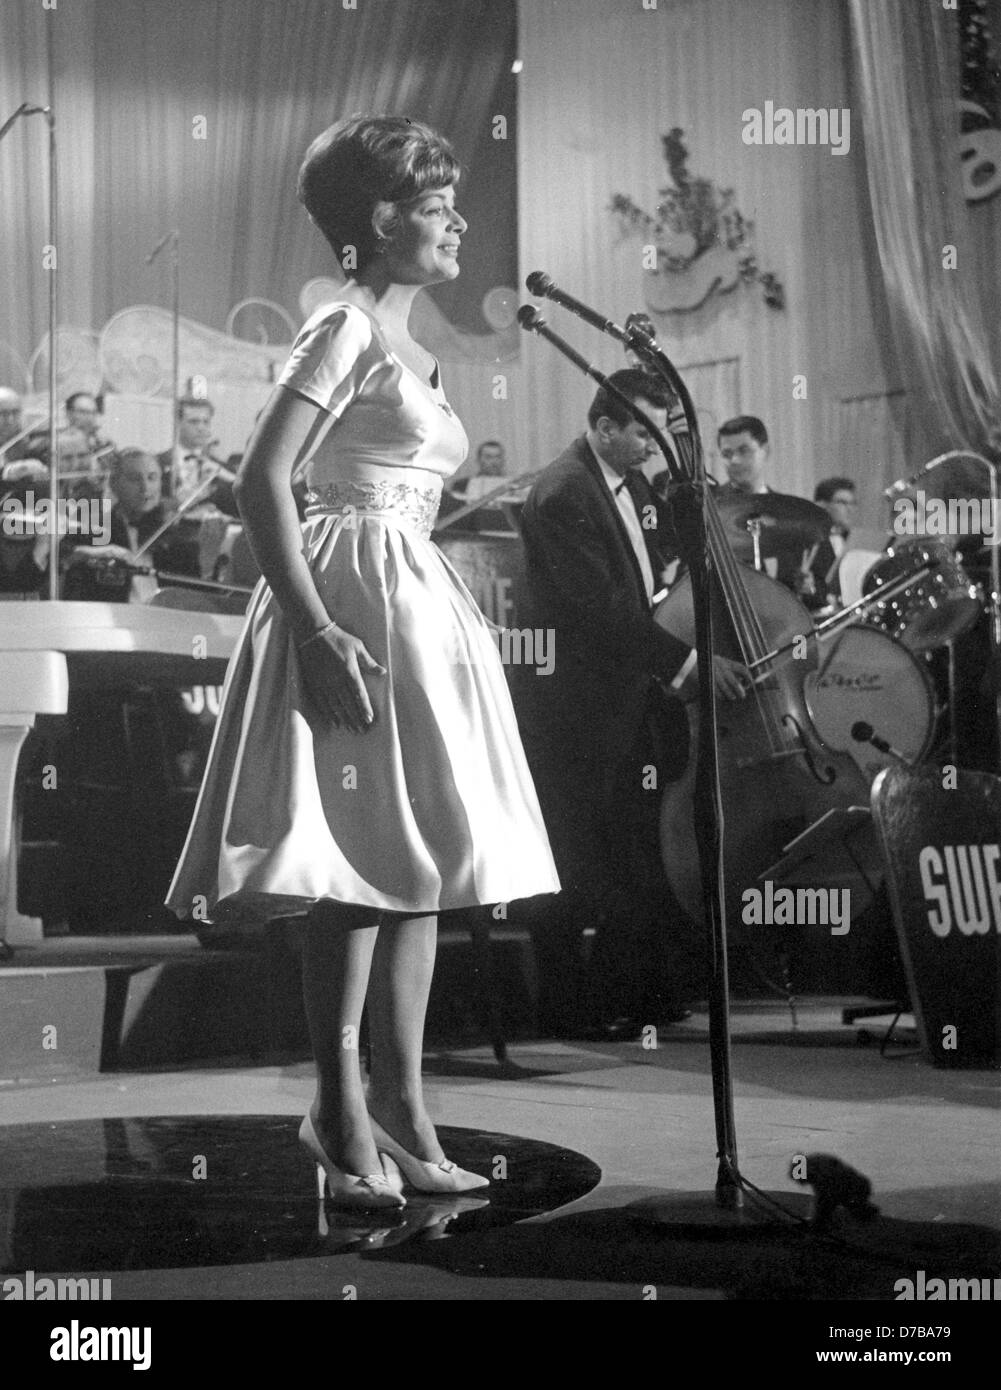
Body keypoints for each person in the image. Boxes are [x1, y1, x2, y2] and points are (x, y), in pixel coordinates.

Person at [166, 115, 558, 1209]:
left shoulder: (406, 343)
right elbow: (260, 483)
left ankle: (400, 1098)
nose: (458, 223)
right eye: (438, 208)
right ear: (382, 221)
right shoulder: (339, 328)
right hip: (349, 596)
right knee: (351, 864)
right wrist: (312, 625)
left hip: (412, 597)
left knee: (418, 861)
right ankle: (338, 1103)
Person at [514, 368, 748, 1038]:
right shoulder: (563, 492)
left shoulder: (629, 479)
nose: (650, 442)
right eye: (640, 430)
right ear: (604, 425)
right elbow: (600, 612)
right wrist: (688, 661)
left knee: (628, 851)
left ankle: (631, 991)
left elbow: (655, 564)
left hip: (621, 699)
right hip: (574, 710)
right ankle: (563, 1008)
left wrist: (688, 494)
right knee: (572, 857)